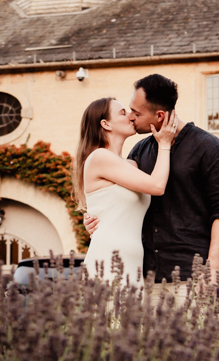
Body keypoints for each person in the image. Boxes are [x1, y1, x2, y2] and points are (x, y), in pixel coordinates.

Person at [85, 74, 219, 297]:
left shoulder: (210, 148)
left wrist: (212, 268)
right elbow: (115, 193)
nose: (131, 117)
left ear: (159, 115)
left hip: (193, 276)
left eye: (136, 113)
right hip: (147, 278)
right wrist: (96, 216)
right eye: (128, 111)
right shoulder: (139, 151)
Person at [73, 97, 180, 286]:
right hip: (107, 258)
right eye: (123, 113)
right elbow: (156, 186)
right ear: (105, 124)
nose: (131, 117)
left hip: (134, 263)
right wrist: (164, 143)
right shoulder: (99, 157)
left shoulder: (131, 164)